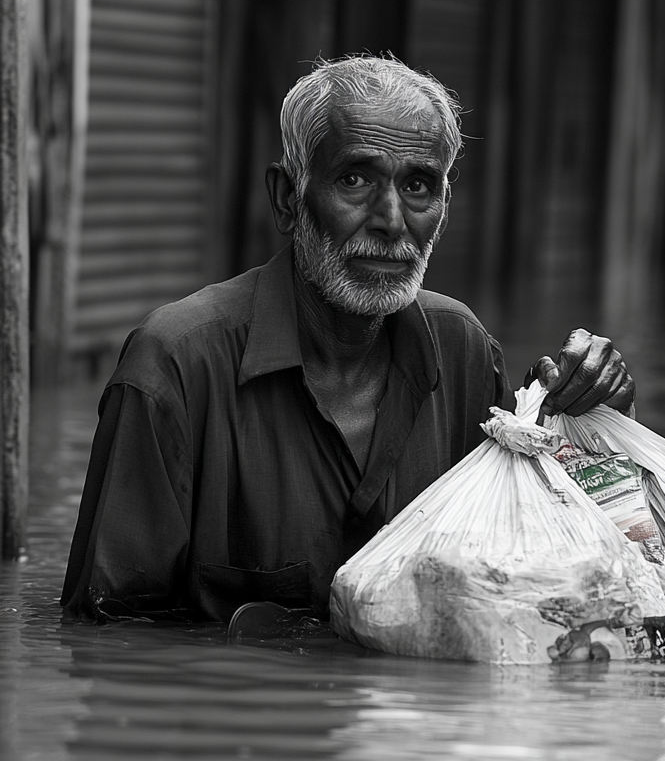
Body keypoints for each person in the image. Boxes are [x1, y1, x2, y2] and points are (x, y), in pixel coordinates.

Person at [61, 55, 635, 623]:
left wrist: (589, 428)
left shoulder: (463, 353)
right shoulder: (176, 366)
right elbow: (112, 647)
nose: (390, 219)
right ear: (289, 198)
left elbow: (531, 586)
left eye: (418, 186)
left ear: (443, 207)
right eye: (355, 180)